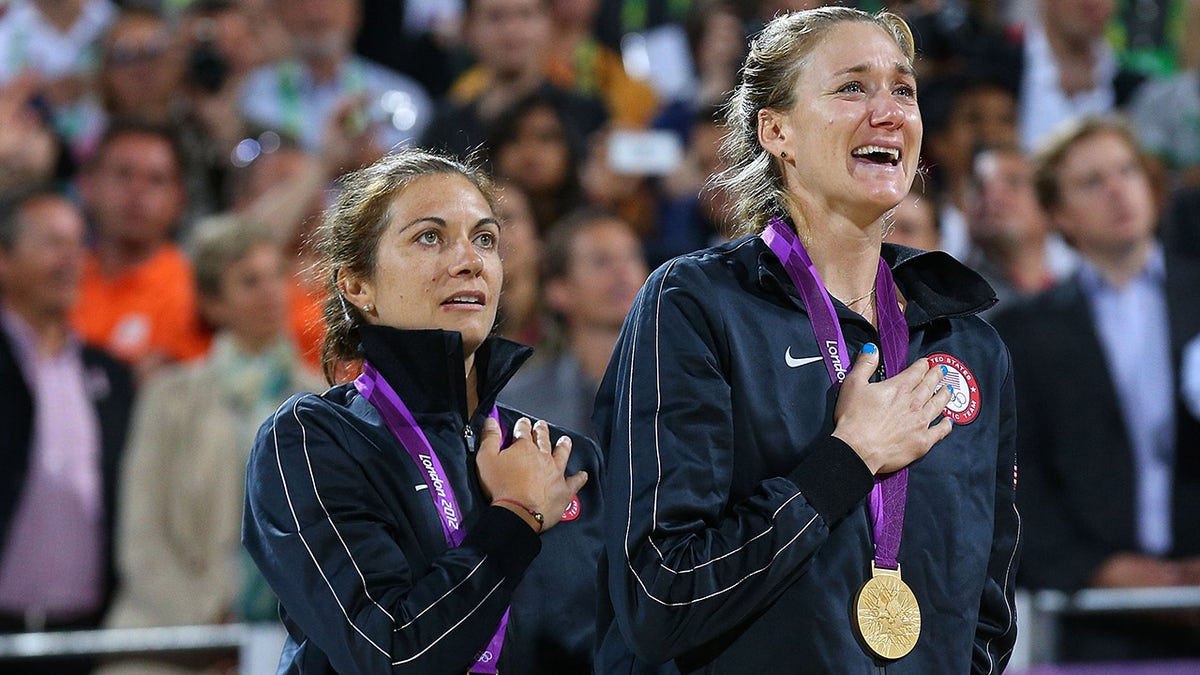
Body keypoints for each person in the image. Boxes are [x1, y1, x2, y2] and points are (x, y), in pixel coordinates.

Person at [593, 7, 1020, 673]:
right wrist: (846, 460)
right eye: (852, 87)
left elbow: (986, 613)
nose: (888, 111)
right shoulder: (697, 305)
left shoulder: (968, 345)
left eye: (903, 90)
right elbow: (661, 597)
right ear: (777, 130)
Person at [242, 148, 604, 673]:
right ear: (357, 285)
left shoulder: (565, 457)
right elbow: (389, 653)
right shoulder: (312, 441)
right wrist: (516, 518)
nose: (469, 261)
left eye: (485, 239)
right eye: (429, 237)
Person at [992, 115, 1200, 661]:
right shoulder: (1023, 334)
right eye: (1092, 181)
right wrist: (1104, 571)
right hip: (1090, 613)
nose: (1118, 190)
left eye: (1127, 170)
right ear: (1059, 214)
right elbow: (1018, 480)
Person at [98, 218, 324, 675]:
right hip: (169, 630)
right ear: (214, 303)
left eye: (277, 274)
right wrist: (209, 622)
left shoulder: (322, 402)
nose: (270, 291)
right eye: (249, 281)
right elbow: (141, 539)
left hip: (292, 637)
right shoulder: (169, 397)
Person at [0, 189, 134, 674]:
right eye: (52, 244)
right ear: (4, 260)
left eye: (79, 246)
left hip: (87, 641)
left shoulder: (112, 377)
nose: (71, 261)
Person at [71, 120, 210, 383]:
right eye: (123, 174)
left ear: (180, 199)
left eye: (156, 180)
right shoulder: (57, 279)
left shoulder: (198, 294)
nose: (137, 191)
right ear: (87, 185)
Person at [501, 207, 648, 438]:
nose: (623, 271)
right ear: (559, 290)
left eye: (632, 256)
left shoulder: (683, 386)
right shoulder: (519, 405)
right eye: (601, 261)